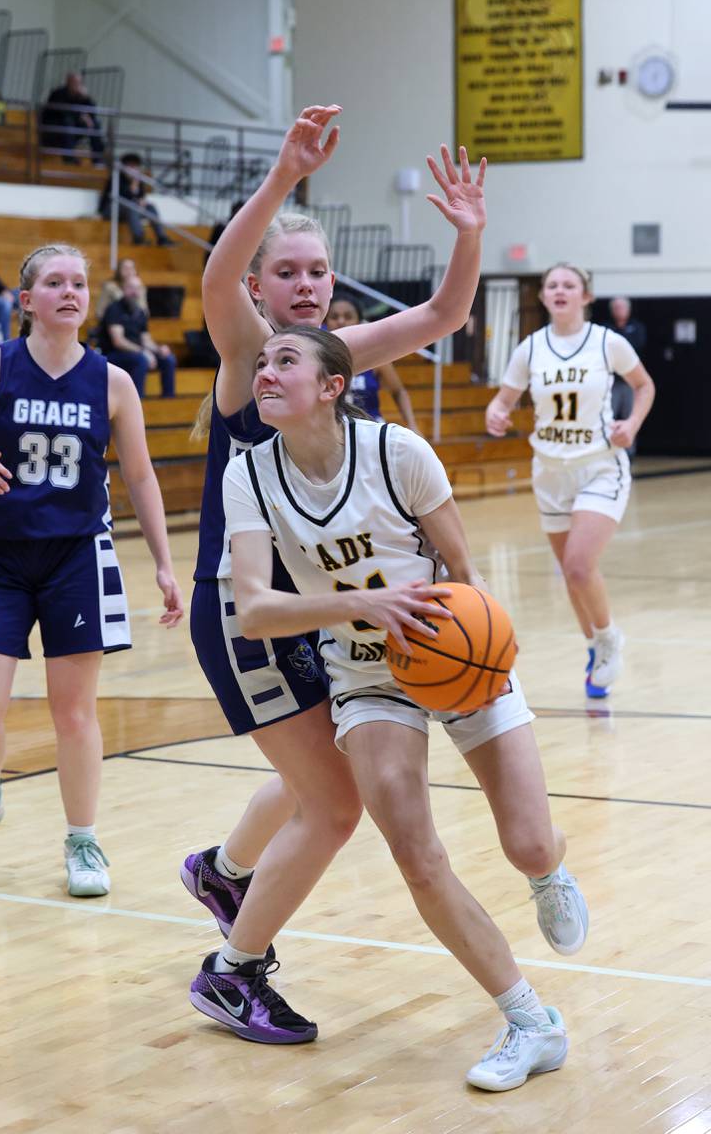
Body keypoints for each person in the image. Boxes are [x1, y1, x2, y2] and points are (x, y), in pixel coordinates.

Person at [178, 106, 584, 1053]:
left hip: (350, 620)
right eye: (288, 271)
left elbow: (446, 315)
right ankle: (234, 957)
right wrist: (284, 174)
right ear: (261, 290)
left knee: (330, 787)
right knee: (336, 802)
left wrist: (471, 232)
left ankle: (227, 870)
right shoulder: (251, 358)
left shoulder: (343, 373)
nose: (310, 285)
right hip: (254, 614)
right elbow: (213, 277)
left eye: (320, 271)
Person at [202, 323, 572, 1089]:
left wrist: (476, 643)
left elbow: (467, 572)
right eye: (261, 361)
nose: (265, 371)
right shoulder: (251, 475)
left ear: (332, 385)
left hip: (454, 653)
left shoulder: (397, 452)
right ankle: (532, 1021)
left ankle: (547, 874)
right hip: (366, 675)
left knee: (530, 845)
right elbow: (255, 608)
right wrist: (366, 605)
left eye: (285, 360)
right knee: (415, 853)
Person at [0, 243, 183, 896]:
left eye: (79, 283)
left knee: (74, 714)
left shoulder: (113, 381)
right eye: (55, 283)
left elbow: (142, 477)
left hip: (76, 559)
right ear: (27, 299)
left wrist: (167, 565)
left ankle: (82, 839)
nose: (71, 292)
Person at [485, 263, 655, 698]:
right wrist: (497, 414)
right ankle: (595, 645)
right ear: (543, 297)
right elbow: (502, 400)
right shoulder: (530, 348)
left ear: (585, 296)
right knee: (570, 573)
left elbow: (644, 386)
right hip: (550, 471)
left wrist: (632, 423)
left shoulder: (607, 342)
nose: (560, 291)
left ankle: (608, 636)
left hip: (600, 465)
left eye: (569, 285)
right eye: (552, 285)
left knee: (580, 565)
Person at [327, 290, 421, 432]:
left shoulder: (374, 356)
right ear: (326, 322)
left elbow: (398, 391)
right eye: (334, 317)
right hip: (334, 432)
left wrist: (412, 425)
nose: (341, 321)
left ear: (359, 321)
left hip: (371, 430)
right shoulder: (319, 358)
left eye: (348, 316)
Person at [97, 275, 176, 397]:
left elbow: (145, 339)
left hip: (136, 352)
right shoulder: (114, 309)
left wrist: (158, 349)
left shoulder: (140, 312)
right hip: (113, 354)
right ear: (123, 289)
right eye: (131, 288)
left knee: (168, 359)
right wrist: (143, 352)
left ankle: (169, 401)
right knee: (141, 360)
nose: (134, 292)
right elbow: (118, 341)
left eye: (137, 288)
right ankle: (138, 402)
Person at [98, 153, 173, 245]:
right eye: (131, 166)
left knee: (150, 207)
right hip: (111, 209)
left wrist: (141, 201)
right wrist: (133, 187)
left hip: (131, 210)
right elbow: (121, 197)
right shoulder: (116, 178)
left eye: (135, 166)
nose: (134, 169)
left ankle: (162, 238)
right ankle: (139, 238)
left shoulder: (138, 180)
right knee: (132, 206)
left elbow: (140, 197)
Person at [608, 296, 647, 460]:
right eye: (616, 307)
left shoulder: (636, 327)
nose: (619, 310)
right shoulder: (606, 329)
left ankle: (629, 452)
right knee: (608, 415)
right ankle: (608, 449)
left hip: (630, 381)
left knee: (630, 415)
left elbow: (636, 347)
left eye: (622, 307)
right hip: (611, 381)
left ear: (628, 309)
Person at [41, 73, 105, 166]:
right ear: (68, 82)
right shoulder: (58, 93)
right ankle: (69, 158)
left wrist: (87, 98)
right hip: (53, 128)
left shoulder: (81, 96)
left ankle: (98, 160)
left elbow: (92, 113)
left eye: (79, 82)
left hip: (73, 128)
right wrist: (80, 116)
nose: (77, 85)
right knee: (67, 122)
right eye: (74, 82)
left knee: (96, 123)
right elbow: (61, 112)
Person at [95, 257, 148, 324]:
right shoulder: (109, 287)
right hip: (113, 324)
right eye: (125, 268)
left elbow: (144, 311)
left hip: (134, 325)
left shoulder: (141, 288)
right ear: (119, 271)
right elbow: (99, 312)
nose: (129, 271)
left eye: (132, 268)